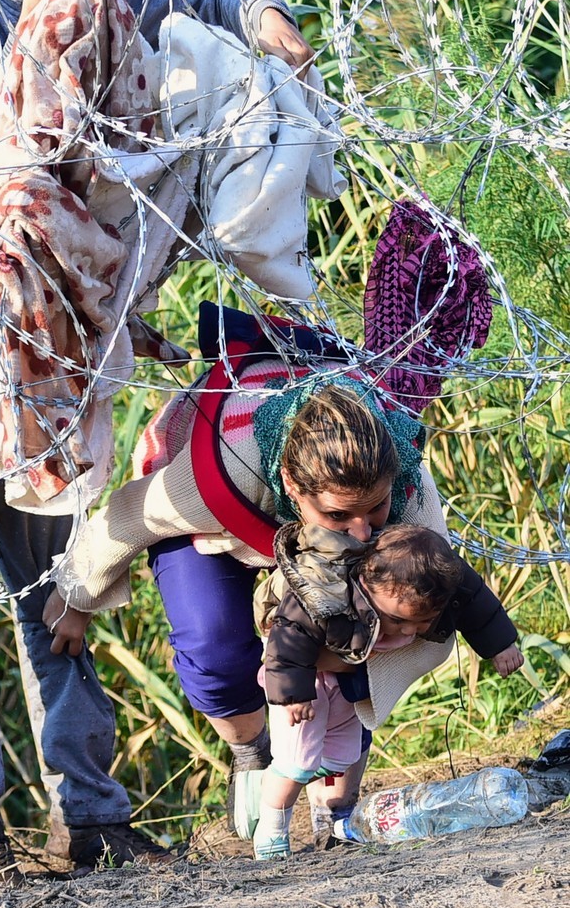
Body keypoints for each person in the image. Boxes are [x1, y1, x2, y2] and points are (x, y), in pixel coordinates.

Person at [0, 0, 314, 889]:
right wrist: (56, 28)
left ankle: (93, 815)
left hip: (54, 321)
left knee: (55, 574)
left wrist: (259, 10)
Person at [41, 307, 516, 841]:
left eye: (374, 511)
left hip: (308, 522)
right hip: (222, 523)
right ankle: (251, 752)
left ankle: (332, 784)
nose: (362, 533)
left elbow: (446, 589)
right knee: (214, 643)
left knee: (384, 620)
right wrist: (77, 597)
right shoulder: (221, 472)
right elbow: (128, 517)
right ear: (293, 484)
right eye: (340, 516)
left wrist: (354, 653)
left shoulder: (405, 488)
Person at [251, 523, 523, 859]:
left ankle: (294, 798)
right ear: (366, 583)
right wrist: (293, 690)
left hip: (347, 685)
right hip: (308, 685)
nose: (408, 630)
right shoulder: (326, 590)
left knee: (341, 757)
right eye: (397, 620)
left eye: (422, 622)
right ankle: (272, 833)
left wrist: (501, 645)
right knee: (296, 764)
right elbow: (290, 633)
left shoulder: (435, 582)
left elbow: (476, 601)